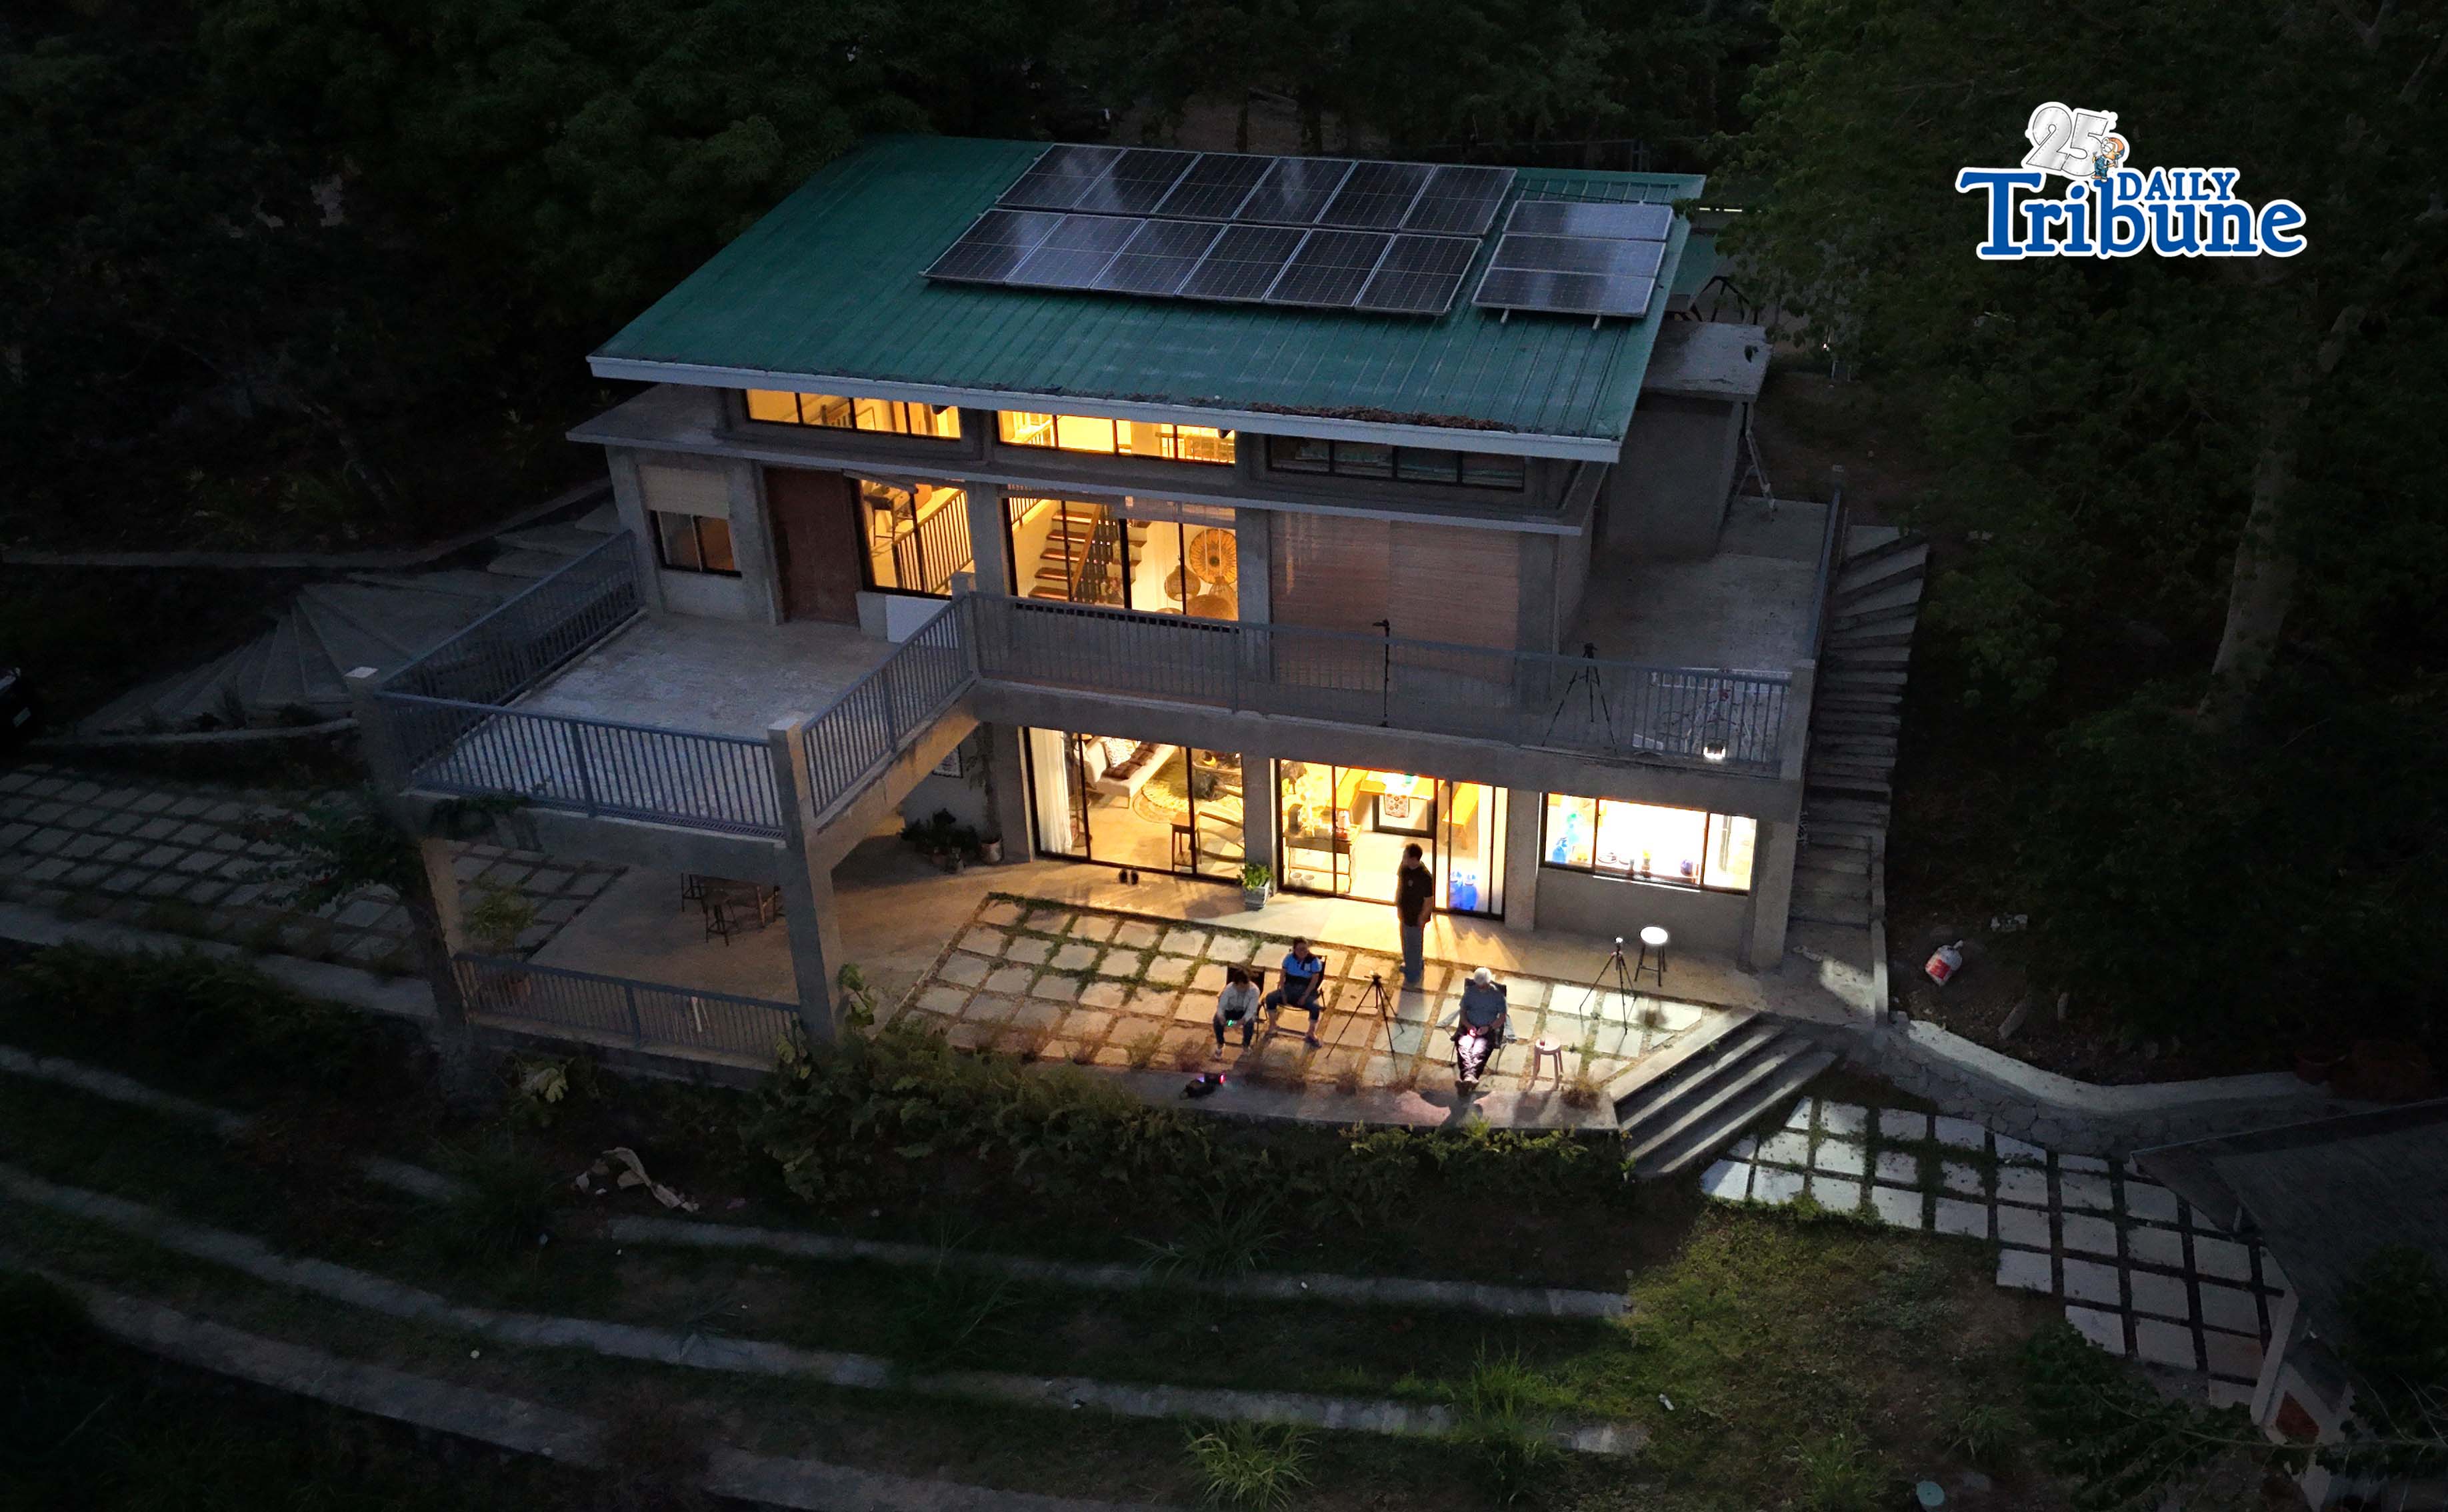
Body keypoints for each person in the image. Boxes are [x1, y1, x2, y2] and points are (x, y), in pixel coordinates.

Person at [1451, 966, 1509, 1091]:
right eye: (1478, 986)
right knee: (1464, 1047)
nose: (1479, 988)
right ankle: (1470, 1077)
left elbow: (1502, 1018)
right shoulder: (1470, 992)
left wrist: (1488, 1028)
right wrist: (1468, 1025)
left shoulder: (1498, 996)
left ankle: (1467, 1078)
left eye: (1482, 986)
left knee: (1479, 1049)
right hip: (1470, 1027)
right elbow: (1463, 1011)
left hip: (1487, 1030)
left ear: (1489, 983)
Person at [1263, 937, 1327, 1045]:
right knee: (1270, 998)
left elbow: (1314, 981)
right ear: (1294, 950)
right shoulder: (1289, 958)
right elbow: (1282, 976)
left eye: (1305, 949)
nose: (1303, 952)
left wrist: (1305, 996)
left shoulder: (1314, 961)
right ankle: (1273, 1025)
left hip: (1306, 990)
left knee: (1315, 1007)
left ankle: (1311, 1033)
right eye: (1300, 950)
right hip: (1289, 987)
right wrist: (1283, 993)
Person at [1394, 842, 1433, 986]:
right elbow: (1400, 886)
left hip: (1417, 915)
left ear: (1414, 858)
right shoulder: (1404, 868)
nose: (1403, 858)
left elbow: (1428, 901)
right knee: (1405, 941)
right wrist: (1397, 904)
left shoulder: (1425, 877)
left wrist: (1422, 918)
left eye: (1406, 856)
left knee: (1414, 944)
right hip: (1405, 912)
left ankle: (1414, 971)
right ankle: (1410, 964)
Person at [1211, 965, 1261, 1053]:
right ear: (1235, 984)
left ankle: (1246, 1044)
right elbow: (1221, 1006)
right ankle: (1220, 1043)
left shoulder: (1254, 991)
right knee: (1217, 1020)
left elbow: (1251, 1010)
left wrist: (1241, 1022)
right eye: (1240, 986)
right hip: (1230, 1012)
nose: (1242, 988)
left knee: (1250, 1023)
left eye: (1244, 986)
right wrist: (1222, 1017)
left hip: (1244, 1013)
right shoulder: (1229, 989)